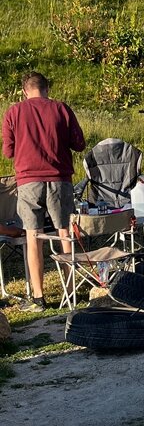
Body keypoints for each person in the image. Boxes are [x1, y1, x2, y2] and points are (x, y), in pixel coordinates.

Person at [2, 72, 85, 311]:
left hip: (28, 181)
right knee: (64, 234)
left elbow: (8, 151)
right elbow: (79, 143)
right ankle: (70, 292)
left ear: (25, 91)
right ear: (47, 88)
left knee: (33, 236)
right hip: (59, 179)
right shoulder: (61, 109)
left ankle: (38, 298)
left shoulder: (14, 112)